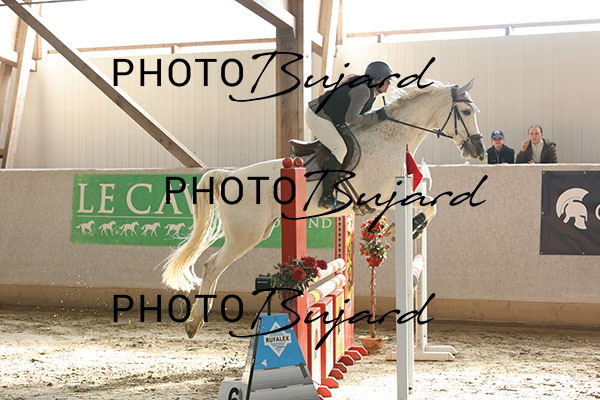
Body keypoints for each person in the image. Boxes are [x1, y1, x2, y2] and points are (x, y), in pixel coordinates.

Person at [305, 61, 394, 209]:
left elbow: (359, 117)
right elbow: (352, 118)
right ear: (377, 80)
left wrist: (377, 117)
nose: (390, 83)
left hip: (330, 117)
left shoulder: (371, 92)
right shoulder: (363, 90)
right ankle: (326, 196)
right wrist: (377, 117)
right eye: (387, 80)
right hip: (317, 115)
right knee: (340, 149)